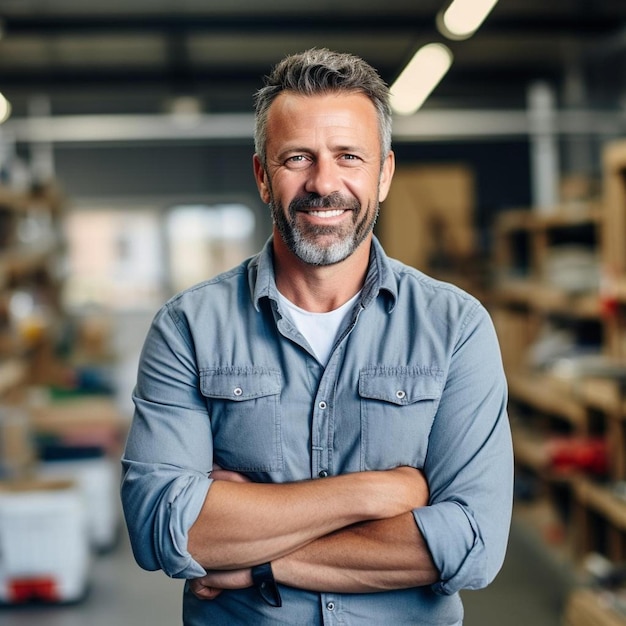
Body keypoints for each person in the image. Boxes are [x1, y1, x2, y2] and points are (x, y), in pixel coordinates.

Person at [121, 48, 513, 625]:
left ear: (383, 175)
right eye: (297, 158)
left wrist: (256, 560)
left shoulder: (455, 327)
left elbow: (473, 544)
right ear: (262, 176)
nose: (323, 182)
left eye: (349, 157)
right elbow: (163, 527)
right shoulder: (189, 328)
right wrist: (378, 493)